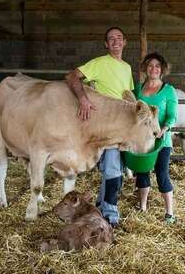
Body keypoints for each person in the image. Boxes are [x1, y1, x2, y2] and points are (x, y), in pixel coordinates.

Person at [65, 27, 134, 227]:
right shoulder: (100, 62)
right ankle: (110, 216)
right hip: (106, 127)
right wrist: (83, 99)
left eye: (119, 38)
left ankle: (100, 206)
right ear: (106, 44)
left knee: (116, 171)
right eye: (111, 39)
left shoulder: (127, 68)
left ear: (124, 42)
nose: (116, 41)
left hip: (122, 127)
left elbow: (127, 97)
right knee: (112, 170)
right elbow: (71, 76)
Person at [133, 52, 178, 224]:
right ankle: (143, 207)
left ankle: (170, 213)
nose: (154, 69)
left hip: (161, 141)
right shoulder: (138, 88)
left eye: (157, 66)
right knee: (142, 172)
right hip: (142, 140)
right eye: (150, 65)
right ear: (145, 68)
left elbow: (172, 116)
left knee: (162, 174)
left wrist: (164, 129)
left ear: (162, 70)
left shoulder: (168, 90)